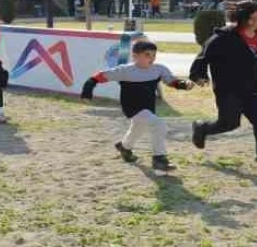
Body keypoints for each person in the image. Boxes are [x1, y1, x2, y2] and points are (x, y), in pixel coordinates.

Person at [189, 0, 257, 165]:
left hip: (253, 88)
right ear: (241, 18)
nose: (255, 22)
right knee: (229, 124)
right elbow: (204, 56)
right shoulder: (224, 37)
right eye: (251, 18)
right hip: (228, 89)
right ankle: (202, 128)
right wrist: (198, 75)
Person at [81, 40, 195, 175]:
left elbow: (171, 81)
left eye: (154, 55)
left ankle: (124, 147)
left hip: (148, 107)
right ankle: (159, 160)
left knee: (137, 129)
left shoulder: (159, 69)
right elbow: (96, 77)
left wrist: (184, 84)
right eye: (147, 55)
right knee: (159, 125)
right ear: (135, 56)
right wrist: (87, 90)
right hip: (132, 107)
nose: (151, 58)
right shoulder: (125, 70)